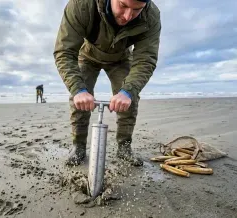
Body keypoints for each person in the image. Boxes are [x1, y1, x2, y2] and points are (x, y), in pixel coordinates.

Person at [53, 0, 161, 167]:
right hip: (87, 55)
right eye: (123, 6)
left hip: (121, 58)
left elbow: (146, 59)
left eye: (137, 9)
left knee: (130, 98)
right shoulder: (81, 5)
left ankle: (124, 148)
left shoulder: (151, 16)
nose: (128, 16)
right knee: (79, 97)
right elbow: (64, 51)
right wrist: (78, 89)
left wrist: (127, 91)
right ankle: (79, 147)